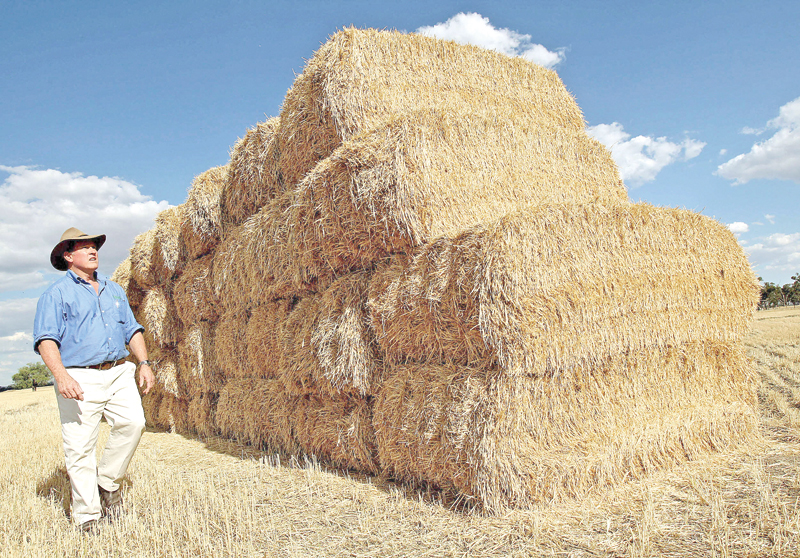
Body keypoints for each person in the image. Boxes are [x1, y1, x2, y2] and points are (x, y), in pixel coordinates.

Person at [33, 227, 155, 533]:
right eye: (85, 247)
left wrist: (144, 362)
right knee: (80, 448)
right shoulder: (56, 294)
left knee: (133, 423)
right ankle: (88, 517)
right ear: (68, 255)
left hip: (118, 371)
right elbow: (46, 339)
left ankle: (107, 483)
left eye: (95, 247)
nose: (93, 251)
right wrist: (61, 376)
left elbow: (132, 329)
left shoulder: (114, 290)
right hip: (79, 376)